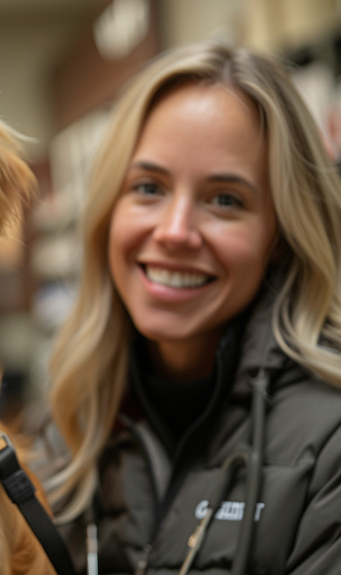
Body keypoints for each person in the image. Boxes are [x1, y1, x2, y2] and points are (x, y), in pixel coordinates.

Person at [46, 42, 341, 575]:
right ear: (109, 209)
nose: (175, 231)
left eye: (225, 199)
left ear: (281, 234)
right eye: (148, 187)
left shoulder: (329, 446)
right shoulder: (69, 421)